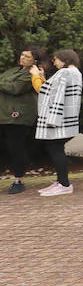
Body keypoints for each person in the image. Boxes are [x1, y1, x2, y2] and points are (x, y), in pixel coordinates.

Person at [34, 48, 81, 197]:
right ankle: (61, 181)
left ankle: (64, 183)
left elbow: (54, 95)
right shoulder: (75, 73)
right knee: (56, 149)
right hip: (66, 117)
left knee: (55, 149)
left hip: (58, 118)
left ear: (64, 59)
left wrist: (36, 77)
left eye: (55, 60)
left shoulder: (65, 72)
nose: (54, 63)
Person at [0, 47, 42, 194]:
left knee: (15, 147)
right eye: (22, 55)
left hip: (18, 116)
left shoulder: (31, 73)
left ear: (35, 60)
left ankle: (19, 180)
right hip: (3, 115)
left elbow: (15, 88)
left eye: (27, 57)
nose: (23, 58)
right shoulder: (12, 71)